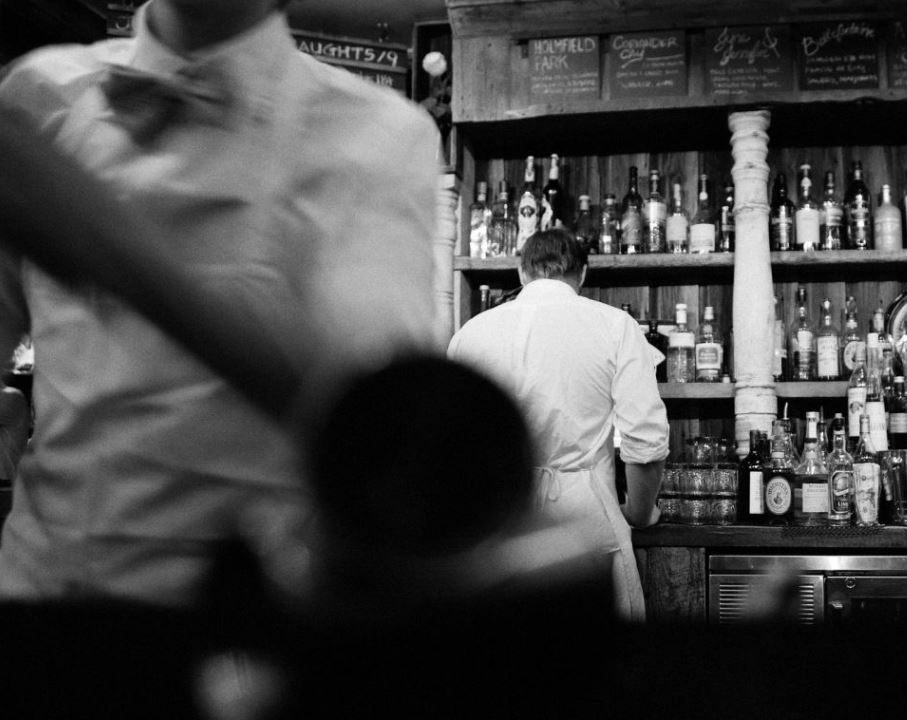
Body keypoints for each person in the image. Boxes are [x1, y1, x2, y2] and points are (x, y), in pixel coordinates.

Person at [0, 0, 448, 605]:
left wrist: (113, 246)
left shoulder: (380, 134)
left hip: (258, 618)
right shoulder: (39, 94)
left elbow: (375, 429)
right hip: (47, 610)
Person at [447, 227, 669, 621]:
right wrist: (638, 513)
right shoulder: (614, 326)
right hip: (587, 522)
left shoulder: (471, 333)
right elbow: (645, 441)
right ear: (582, 275)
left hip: (499, 526)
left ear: (521, 272)